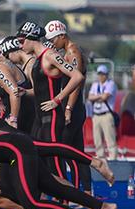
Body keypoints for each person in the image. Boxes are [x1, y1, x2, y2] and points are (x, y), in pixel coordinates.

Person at [16, 21, 85, 180]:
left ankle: (67, 200)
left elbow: (77, 76)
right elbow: (40, 90)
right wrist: (24, 92)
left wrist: (58, 100)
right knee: (40, 160)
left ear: (32, 38)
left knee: (56, 161)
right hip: (40, 118)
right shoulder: (37, 59)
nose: (20, 46)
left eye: (21, 41)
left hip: (52, 117)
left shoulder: (50, 56)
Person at [45, 19, 92, 193]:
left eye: (53, 39)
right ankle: (86, 193)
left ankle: (69, 192)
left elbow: (76, 83)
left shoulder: (72, 53)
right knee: (77, 153)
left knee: (63, 151)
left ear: (62, 36)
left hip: (73, 108)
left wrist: (68, 109)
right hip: (74, 107)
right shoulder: (68, 51)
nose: (52, 43)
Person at [88, 65, 118, 160]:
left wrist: (96, 97)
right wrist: (100, 96)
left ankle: (113, 159)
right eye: (99, 74)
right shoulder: (95, 84)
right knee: (97, 140)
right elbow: (90, 97)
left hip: (106, 114)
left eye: (103, 74)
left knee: (110, 139)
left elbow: (105, 97)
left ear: (106, 75)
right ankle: (101, 158)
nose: (101, 76)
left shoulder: (111, 84)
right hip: (96, 115)